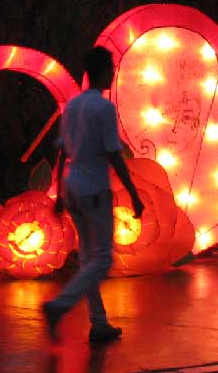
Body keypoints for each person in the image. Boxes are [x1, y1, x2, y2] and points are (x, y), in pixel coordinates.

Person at [41, 48, 144, 344]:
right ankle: (60, 305)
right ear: (101, 71)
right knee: (102, 260)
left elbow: (61, 149)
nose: (113, 73)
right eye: (110, 68)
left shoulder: (73, 106)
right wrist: (134, 193)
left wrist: (60, 191)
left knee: (89, 257)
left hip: (73, 185)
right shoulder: (103, 108)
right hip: (94, 188)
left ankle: (98, 322)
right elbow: (113, 153)